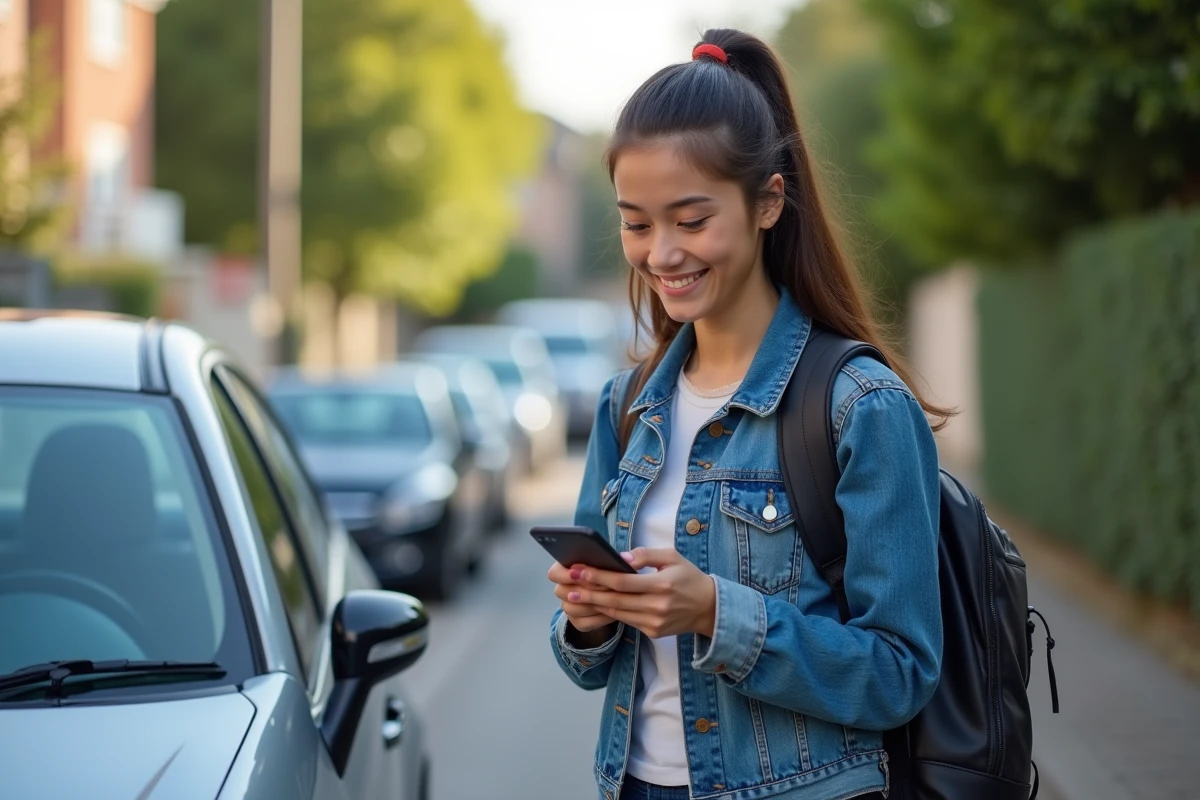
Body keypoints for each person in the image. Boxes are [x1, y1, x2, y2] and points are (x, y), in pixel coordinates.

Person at [547, 28, 950, 800]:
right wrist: (591, 617)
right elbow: (585, 667)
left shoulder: (859, 407)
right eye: (637, 223)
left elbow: (900, 672)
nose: (662, 253)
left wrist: (715, 613)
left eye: (692, 221)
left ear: (768, 201)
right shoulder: (626, 406)